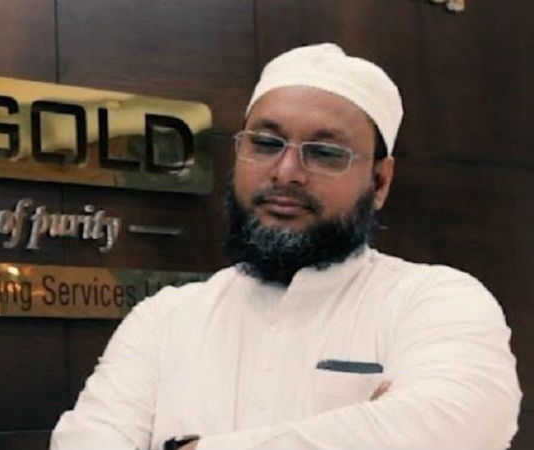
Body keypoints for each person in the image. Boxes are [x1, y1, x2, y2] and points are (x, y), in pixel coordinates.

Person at [50, 43, 521, 450]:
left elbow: (458, 424)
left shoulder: (433, 300)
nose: (286, 172)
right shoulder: (165, 319)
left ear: (379, 181)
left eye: (326, 152)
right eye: (266, 143)